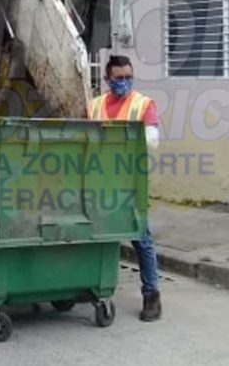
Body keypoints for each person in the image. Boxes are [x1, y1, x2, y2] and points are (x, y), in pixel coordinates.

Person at [86, 54, 163, 322]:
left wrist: (114, 136)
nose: (124, 82)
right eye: (119, 78)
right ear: (107, 79)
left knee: (141, 239)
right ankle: (94, 288)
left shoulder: (143, 104)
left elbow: (152, 140)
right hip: (98, 181)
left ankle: (152, 296)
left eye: (128, 77)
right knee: (95, 236)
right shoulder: (93, 106)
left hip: (130, 183)